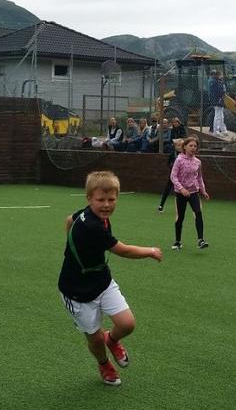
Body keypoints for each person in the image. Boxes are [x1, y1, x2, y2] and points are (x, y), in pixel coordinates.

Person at [59, 170, 162, 386]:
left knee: (127, 324)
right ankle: (104, 363)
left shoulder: (90, 215)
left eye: (111, 199)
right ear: (89, 198)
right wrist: (150, 251)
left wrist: (69, 242)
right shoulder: (93, 226)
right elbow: (123, 251)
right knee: (94, 337)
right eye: (101, 200)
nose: (106, 205)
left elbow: (70, 219)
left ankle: (112, 339)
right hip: (76, 291)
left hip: (101, 280)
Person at [169, 137, 211, 250]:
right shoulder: (179, 160)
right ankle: (177, 241)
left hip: (193, 192)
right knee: (180, 217)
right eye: (191, 146)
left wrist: (203, 191)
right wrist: (181, 189)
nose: (193, 148)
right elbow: (173, 176)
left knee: (198, 212)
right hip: (181, 193)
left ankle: (201, 240)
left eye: (195, 146)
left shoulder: (198, 162)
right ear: (185, 147)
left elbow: (199, 178)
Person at [157, 117, 187, 212]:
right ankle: (161, 205)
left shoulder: (184, 154)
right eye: (177, 145)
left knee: (182, 190)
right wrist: (172, 167)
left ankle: (183, 206)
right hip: (173, 174)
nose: (178, 147)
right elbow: (168, 163)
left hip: (182, 175)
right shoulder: (173, 153)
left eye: (179, 145)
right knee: (168, 188)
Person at [207, 70, 227, 135]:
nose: (222, 76)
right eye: (221, 75)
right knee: (217, 116)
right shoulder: (215, 82)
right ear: (218, 75)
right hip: (217, 100)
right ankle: (216, 130)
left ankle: (222, 129)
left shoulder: (216, 81)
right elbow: (218, 91)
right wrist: (222, 94)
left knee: (221, 115)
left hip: (218, 100)